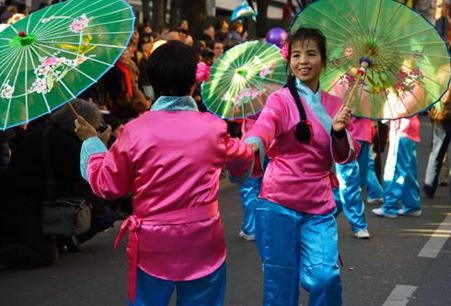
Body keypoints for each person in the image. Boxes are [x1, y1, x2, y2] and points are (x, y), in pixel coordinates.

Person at [74, 41, 254, 306]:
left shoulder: (135, 130)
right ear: (194, 81)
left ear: (153, 81)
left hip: (153, 242)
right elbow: (243, 161)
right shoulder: (213, 128)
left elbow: (108, 185)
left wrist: (92, 143)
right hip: (203, 239)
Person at [243, 27, 358, 306]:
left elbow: (345, 156)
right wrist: (254, 143)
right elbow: (265, 124)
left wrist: (339, 132)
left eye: (310, 54)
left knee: (326, 278)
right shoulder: (279, 99)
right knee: (279, 284)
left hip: (318, 203)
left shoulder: (335, 104)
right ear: (289, 61)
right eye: (296, 55)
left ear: (323, 60)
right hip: (277, 201)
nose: (303, 61)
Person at [0, 100, 111, 267]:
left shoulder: (45, 131)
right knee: (43, 256)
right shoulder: (64, 142)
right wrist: (96, 144)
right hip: (25, 206)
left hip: (28, 199)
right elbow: (89, 178)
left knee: (102, 214)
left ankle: (58, 239)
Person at [424, 45, 451, 205]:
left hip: (441, 116)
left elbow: (432, 91)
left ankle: (429, 187)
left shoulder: (443, 69)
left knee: (437, 153)